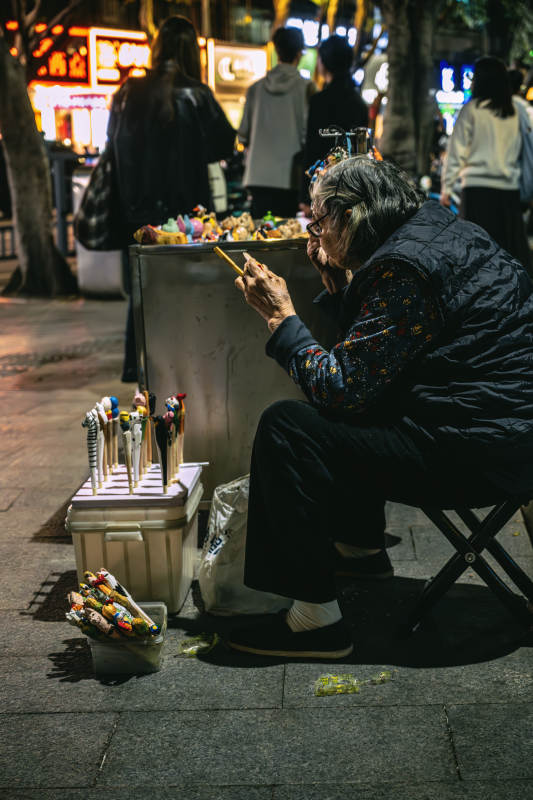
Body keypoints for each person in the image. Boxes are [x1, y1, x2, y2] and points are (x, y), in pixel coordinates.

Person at [225, 154, 533, 660]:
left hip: (476, 455)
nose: (314, 236)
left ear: (351, 216)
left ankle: (315, 623)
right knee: (366, 398)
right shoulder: (440, 228)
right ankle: (360, 550)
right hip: (509, 436)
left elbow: (340, 387)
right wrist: (342, 284)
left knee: (289, 427)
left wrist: (282, 319)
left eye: (319, 222)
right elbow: (383, 353)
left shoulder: (401, 268)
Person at [107, 15, 235, 382]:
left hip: (136, 214)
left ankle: (139, 365)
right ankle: (185, 362)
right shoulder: (197, 94)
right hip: (187, 217)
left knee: (142, 291)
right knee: (187, 290)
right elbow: (226, 143)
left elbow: (112, 145)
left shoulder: (128, 91)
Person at [440, 56, 531, 274]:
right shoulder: (516, 110)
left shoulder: (471, 110)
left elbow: (455, 154)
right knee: (509, 259)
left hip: (476, 193)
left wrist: (447, 188)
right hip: (508, 193)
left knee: (476, 260)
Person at [238, 26, 314, 219]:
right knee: (286, 236)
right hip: (290, 178)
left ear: (276, 51)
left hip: (257, 176)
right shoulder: (307, 88)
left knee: (258, 233)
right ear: (299, 53)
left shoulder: (255, 89)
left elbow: (243, 135)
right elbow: (309, 134)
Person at [300, 35, 368, 210]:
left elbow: (313, 149)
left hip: (323, 188)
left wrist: (306, 196)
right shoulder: (359, 103)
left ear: (323, 63)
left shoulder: (319, 101)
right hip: (352, 190)